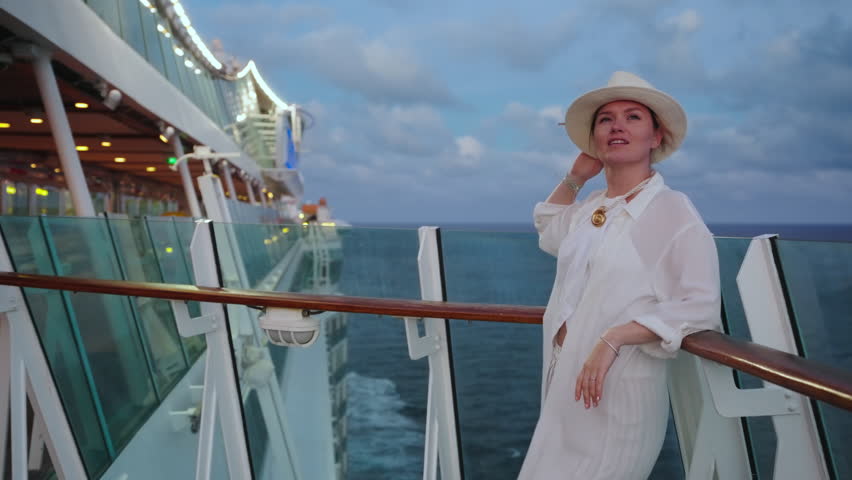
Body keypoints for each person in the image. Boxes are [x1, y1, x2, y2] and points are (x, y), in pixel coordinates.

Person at [518, 71, 721, 479]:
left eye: (632, 117)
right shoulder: (594, 206)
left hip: (618, 392)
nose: (617, 126)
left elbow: (700, 305)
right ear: (594, 138)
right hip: (565, 390)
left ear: (656, 136)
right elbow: (548, 227)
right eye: (605, 119)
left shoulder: (670, 210)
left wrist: (615, 336)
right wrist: (576, 177)